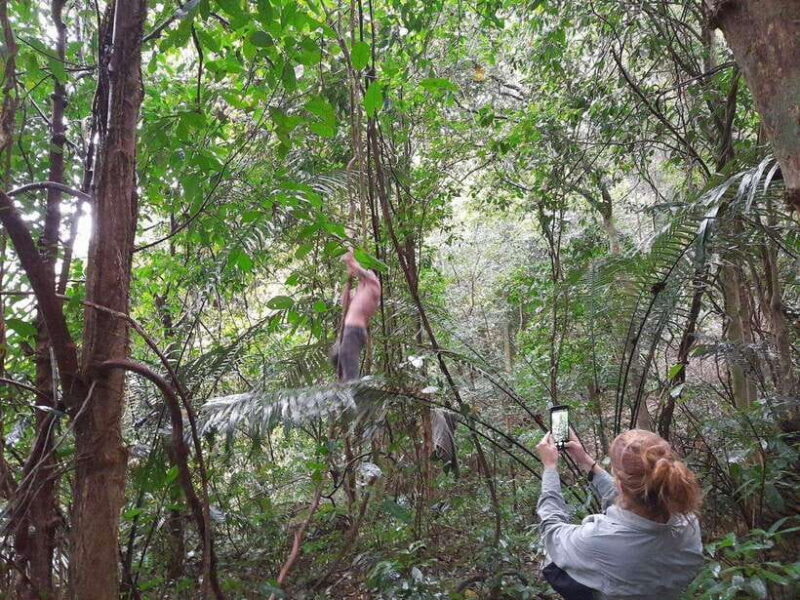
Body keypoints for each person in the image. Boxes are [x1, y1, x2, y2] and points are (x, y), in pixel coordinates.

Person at [534, 428, 703, 600]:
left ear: (620, 486)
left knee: (553, 565)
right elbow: (634, 498)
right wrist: (584, 460)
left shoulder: (600, 540)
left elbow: (551, 531)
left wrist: (550, 468)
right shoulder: (688, 522)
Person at [331, 250, 381, 382]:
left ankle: (353, 390)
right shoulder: (361, 289)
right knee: (337, 357)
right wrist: (347, 284)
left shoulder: (374, 284)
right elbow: (345, 303)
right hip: (348, 330)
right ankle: (346, 389)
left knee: (349, 365)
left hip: (355, 330)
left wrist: (351, 260)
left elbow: (362, 272)